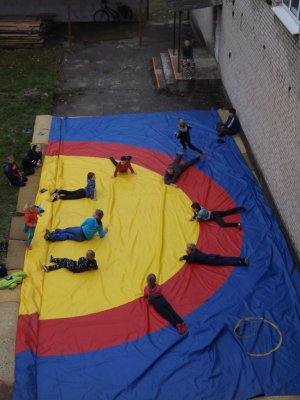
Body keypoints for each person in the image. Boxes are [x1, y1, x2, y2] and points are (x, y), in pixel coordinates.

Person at [179, 243, 249, 266]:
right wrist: (184, 256)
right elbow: (191, 255)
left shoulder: (193, 255)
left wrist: (186, 255)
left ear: (190, 249)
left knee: (226, 262)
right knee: (226, 258)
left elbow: (189, 261)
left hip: (211, 261)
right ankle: (241, 259)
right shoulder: (196, 250)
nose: (187, 249)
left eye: (188, 249)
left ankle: (241, 262)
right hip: (211, 256)